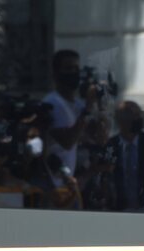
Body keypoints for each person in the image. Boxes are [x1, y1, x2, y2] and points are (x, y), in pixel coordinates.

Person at [42, 50, 93, 179]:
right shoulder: (52, 102)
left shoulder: (78, 104)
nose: (74, 73)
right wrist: (88, 109)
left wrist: (100, 103)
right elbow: (68, 141)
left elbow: (97, 136)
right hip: (53, 183)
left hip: (69, 181)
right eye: (68, 68)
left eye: (76, 68)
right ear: (56, 74)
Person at [106, 100, 144, 211]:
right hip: (119, 209)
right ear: (121, 121)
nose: (138, 120)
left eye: (138, 115)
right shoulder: (111, 144)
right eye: (133, 116)